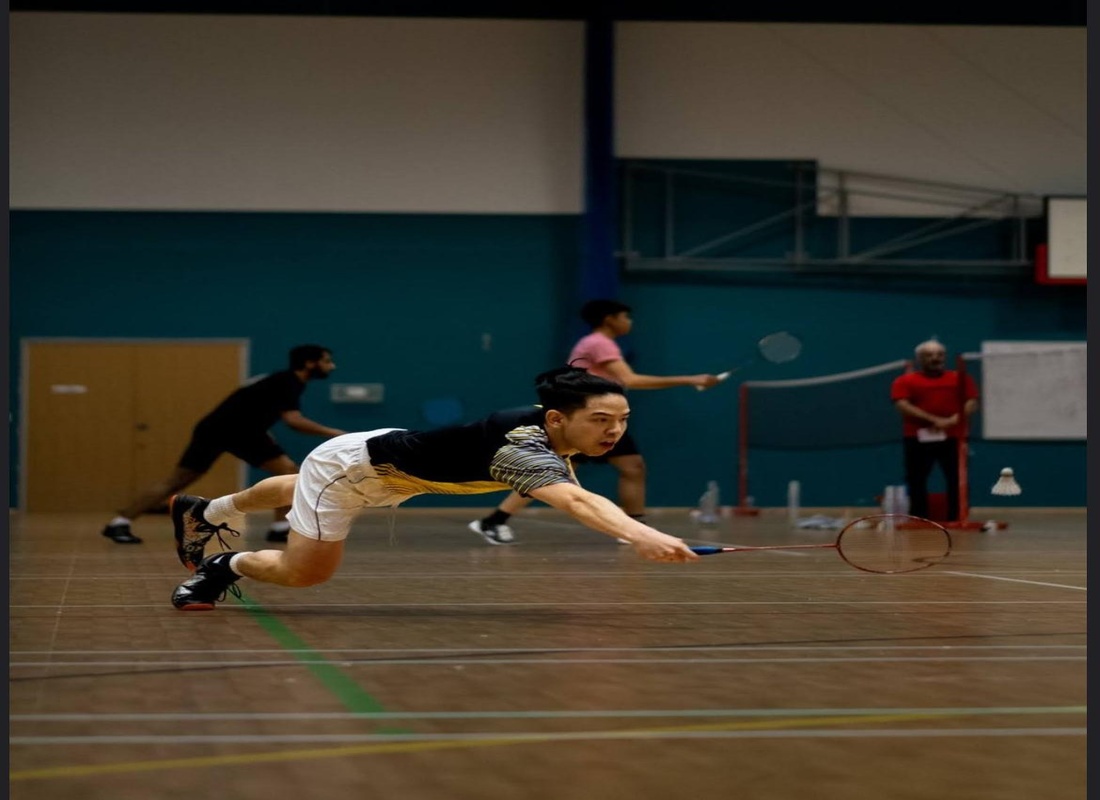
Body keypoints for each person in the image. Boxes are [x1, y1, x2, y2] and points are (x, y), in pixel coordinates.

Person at [168, 366, 701, 610]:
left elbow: (569, 486)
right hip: (360, 467)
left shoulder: (549, 435)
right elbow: (578, 499)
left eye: (623, 419)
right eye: (603, 420)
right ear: (557, 418)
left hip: (389, 466)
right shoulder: (521, 447)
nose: (614, 431)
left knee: (306, 482)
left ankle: (209, 509)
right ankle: (223, 566)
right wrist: (638, 533)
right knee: (304, 574)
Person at [469, 299, 719, 545]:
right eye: (625, 317)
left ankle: (632, 525)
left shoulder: (596, 343)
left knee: (626, 467)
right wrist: (691, 378)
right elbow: (630, 380)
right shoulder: (599, 343)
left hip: (594, 418)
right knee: (566, 474)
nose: (629, 322)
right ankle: (495, 520)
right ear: (609, 319)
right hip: (589, 420)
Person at [101, 344, 345, 545]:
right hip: (238, 431)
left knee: (177, 481)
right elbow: (293, 421)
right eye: (327, 361)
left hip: (218, 428)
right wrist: (332, 432)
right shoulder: (288, 381)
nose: (330, 366)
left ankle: (120, 523)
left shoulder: (277, 380)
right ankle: (280, 527)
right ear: (310, 363)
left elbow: (250, 409)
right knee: (289, 473)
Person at [890, 339, 979, 521]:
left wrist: (953, 420)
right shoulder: (905, 381)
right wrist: (934, 420)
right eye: (929, 355)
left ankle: (957, 517)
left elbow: (971, 401)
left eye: (939, 354)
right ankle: (919, 518)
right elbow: (902, 405)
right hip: (917, 438)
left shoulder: (961, 379)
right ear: (920, 359)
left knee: (957, 479)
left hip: (954, 437)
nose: (935, 358)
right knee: (916, 479)